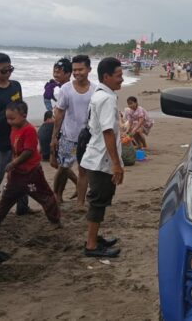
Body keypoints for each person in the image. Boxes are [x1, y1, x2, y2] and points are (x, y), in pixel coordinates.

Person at [81, 57, 125, 258]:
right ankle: (91, 245)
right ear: (106, 76)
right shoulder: (106, 99)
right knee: (98, 201)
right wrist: (117, 164)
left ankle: (94, 237)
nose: (121, 79)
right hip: (100, 159)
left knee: (100, 199)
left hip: (95, 155)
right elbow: (108, 132)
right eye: (118, 76)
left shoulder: (99, 94)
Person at [0, 101, 61, 227]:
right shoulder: (14, 128)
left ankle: (55, 221)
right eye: (8, 118)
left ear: (24, 116)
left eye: (13, 118)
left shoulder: (29, 130)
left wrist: (13, 163)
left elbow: (28, 152)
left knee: (45, 196)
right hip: (17, 174)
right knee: (6, 198)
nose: (10, 121)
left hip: (32, 173)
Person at [0, 53, 30, 220]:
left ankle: (23, 208)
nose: (8, 73)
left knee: (22, 174)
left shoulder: (16, 86)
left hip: (18, 138)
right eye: (4, 71)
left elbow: (21, 108)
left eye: (10, 69)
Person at [50, 55, 94, 208]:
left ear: (89, 69)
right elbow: (59, 113)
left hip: (87, 137)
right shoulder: (66, 89)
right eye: (75, 70)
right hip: (68, 136)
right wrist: (54, 137)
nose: (77, 73)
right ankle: (57, 195)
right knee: (63, 168)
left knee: (83, 170)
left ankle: (80, 203)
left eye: (80, 69)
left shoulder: (95, 90)